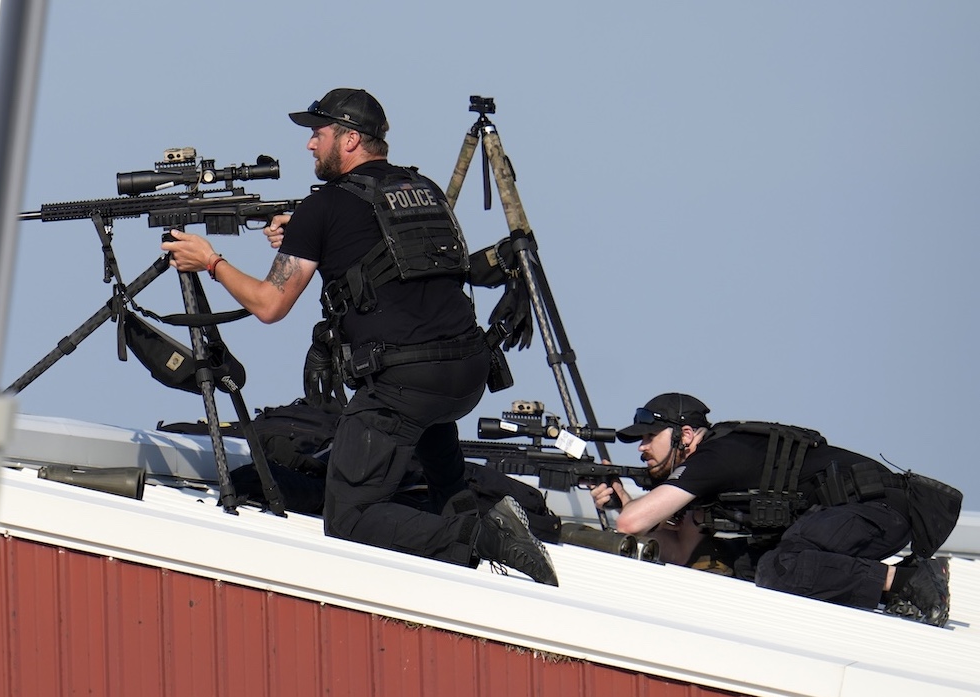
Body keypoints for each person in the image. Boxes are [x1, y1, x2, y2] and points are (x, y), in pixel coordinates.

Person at [161, 88, 557, 585]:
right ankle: (479, 529)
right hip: (464, 370)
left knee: (348, 517)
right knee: (439, 467)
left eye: (318, 133)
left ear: (349, 140)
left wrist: (210, 262)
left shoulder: (323, 208)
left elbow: (269, 303)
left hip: (404, 380)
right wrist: (309, 237)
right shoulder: (424, 188)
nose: (309, 144)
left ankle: (490, 539)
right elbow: (390, 255)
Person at [590, 392, 951, 625]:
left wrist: (629, 508)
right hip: (855, 516)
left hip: (878, 508)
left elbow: (630, 522)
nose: (641, 448)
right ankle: (896, 583)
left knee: (782, 567)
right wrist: (629, 505)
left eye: (649, 437)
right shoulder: (710, 472)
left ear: (685, 436)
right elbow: (682, 550)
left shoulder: (714, 458)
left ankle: (908, 581)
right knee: (749, 563)